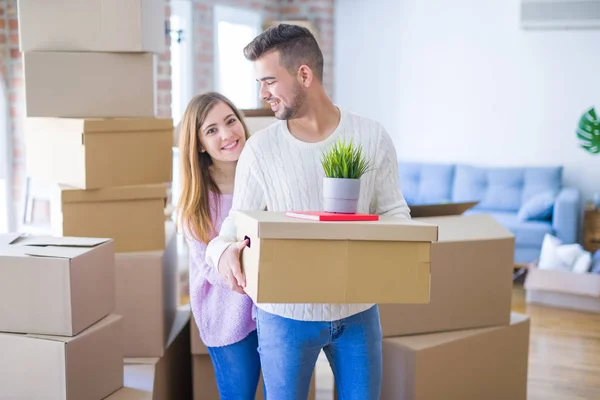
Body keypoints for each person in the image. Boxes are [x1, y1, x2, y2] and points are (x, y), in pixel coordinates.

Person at [205, 24, 411, 399]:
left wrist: (390, 250)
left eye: (269, 81)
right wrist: (223, 254)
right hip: (283, 317)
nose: (262, 94)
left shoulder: (370, 136)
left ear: (304, 74)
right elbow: (233, 227)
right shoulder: (260, 150)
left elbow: (396, 212)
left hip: (358, 312)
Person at [176, 92, 261, 399]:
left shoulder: (264, 178)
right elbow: (212, 269)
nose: (227, 134)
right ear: (199, 143)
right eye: (211, 130)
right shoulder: (195, 204)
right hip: (226, 312)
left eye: (230, 121)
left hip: (272, 306)